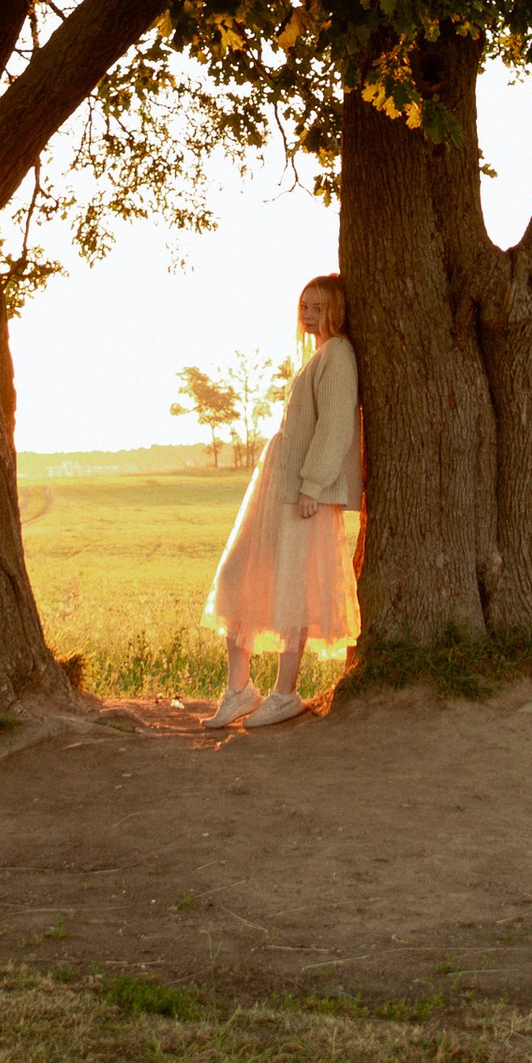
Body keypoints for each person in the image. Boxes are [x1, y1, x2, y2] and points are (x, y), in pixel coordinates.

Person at [203, 272, 364, 729]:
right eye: (304, 306)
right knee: (240, 576)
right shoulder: (315, 356)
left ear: (335, 309)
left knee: (295, 588)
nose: (308, 314)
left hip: (303, 493)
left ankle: (285, 693)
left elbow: (336, 425)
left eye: (317, 307)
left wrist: (313, 486)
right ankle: (239, 690)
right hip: (279, 486)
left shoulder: (339, 354)